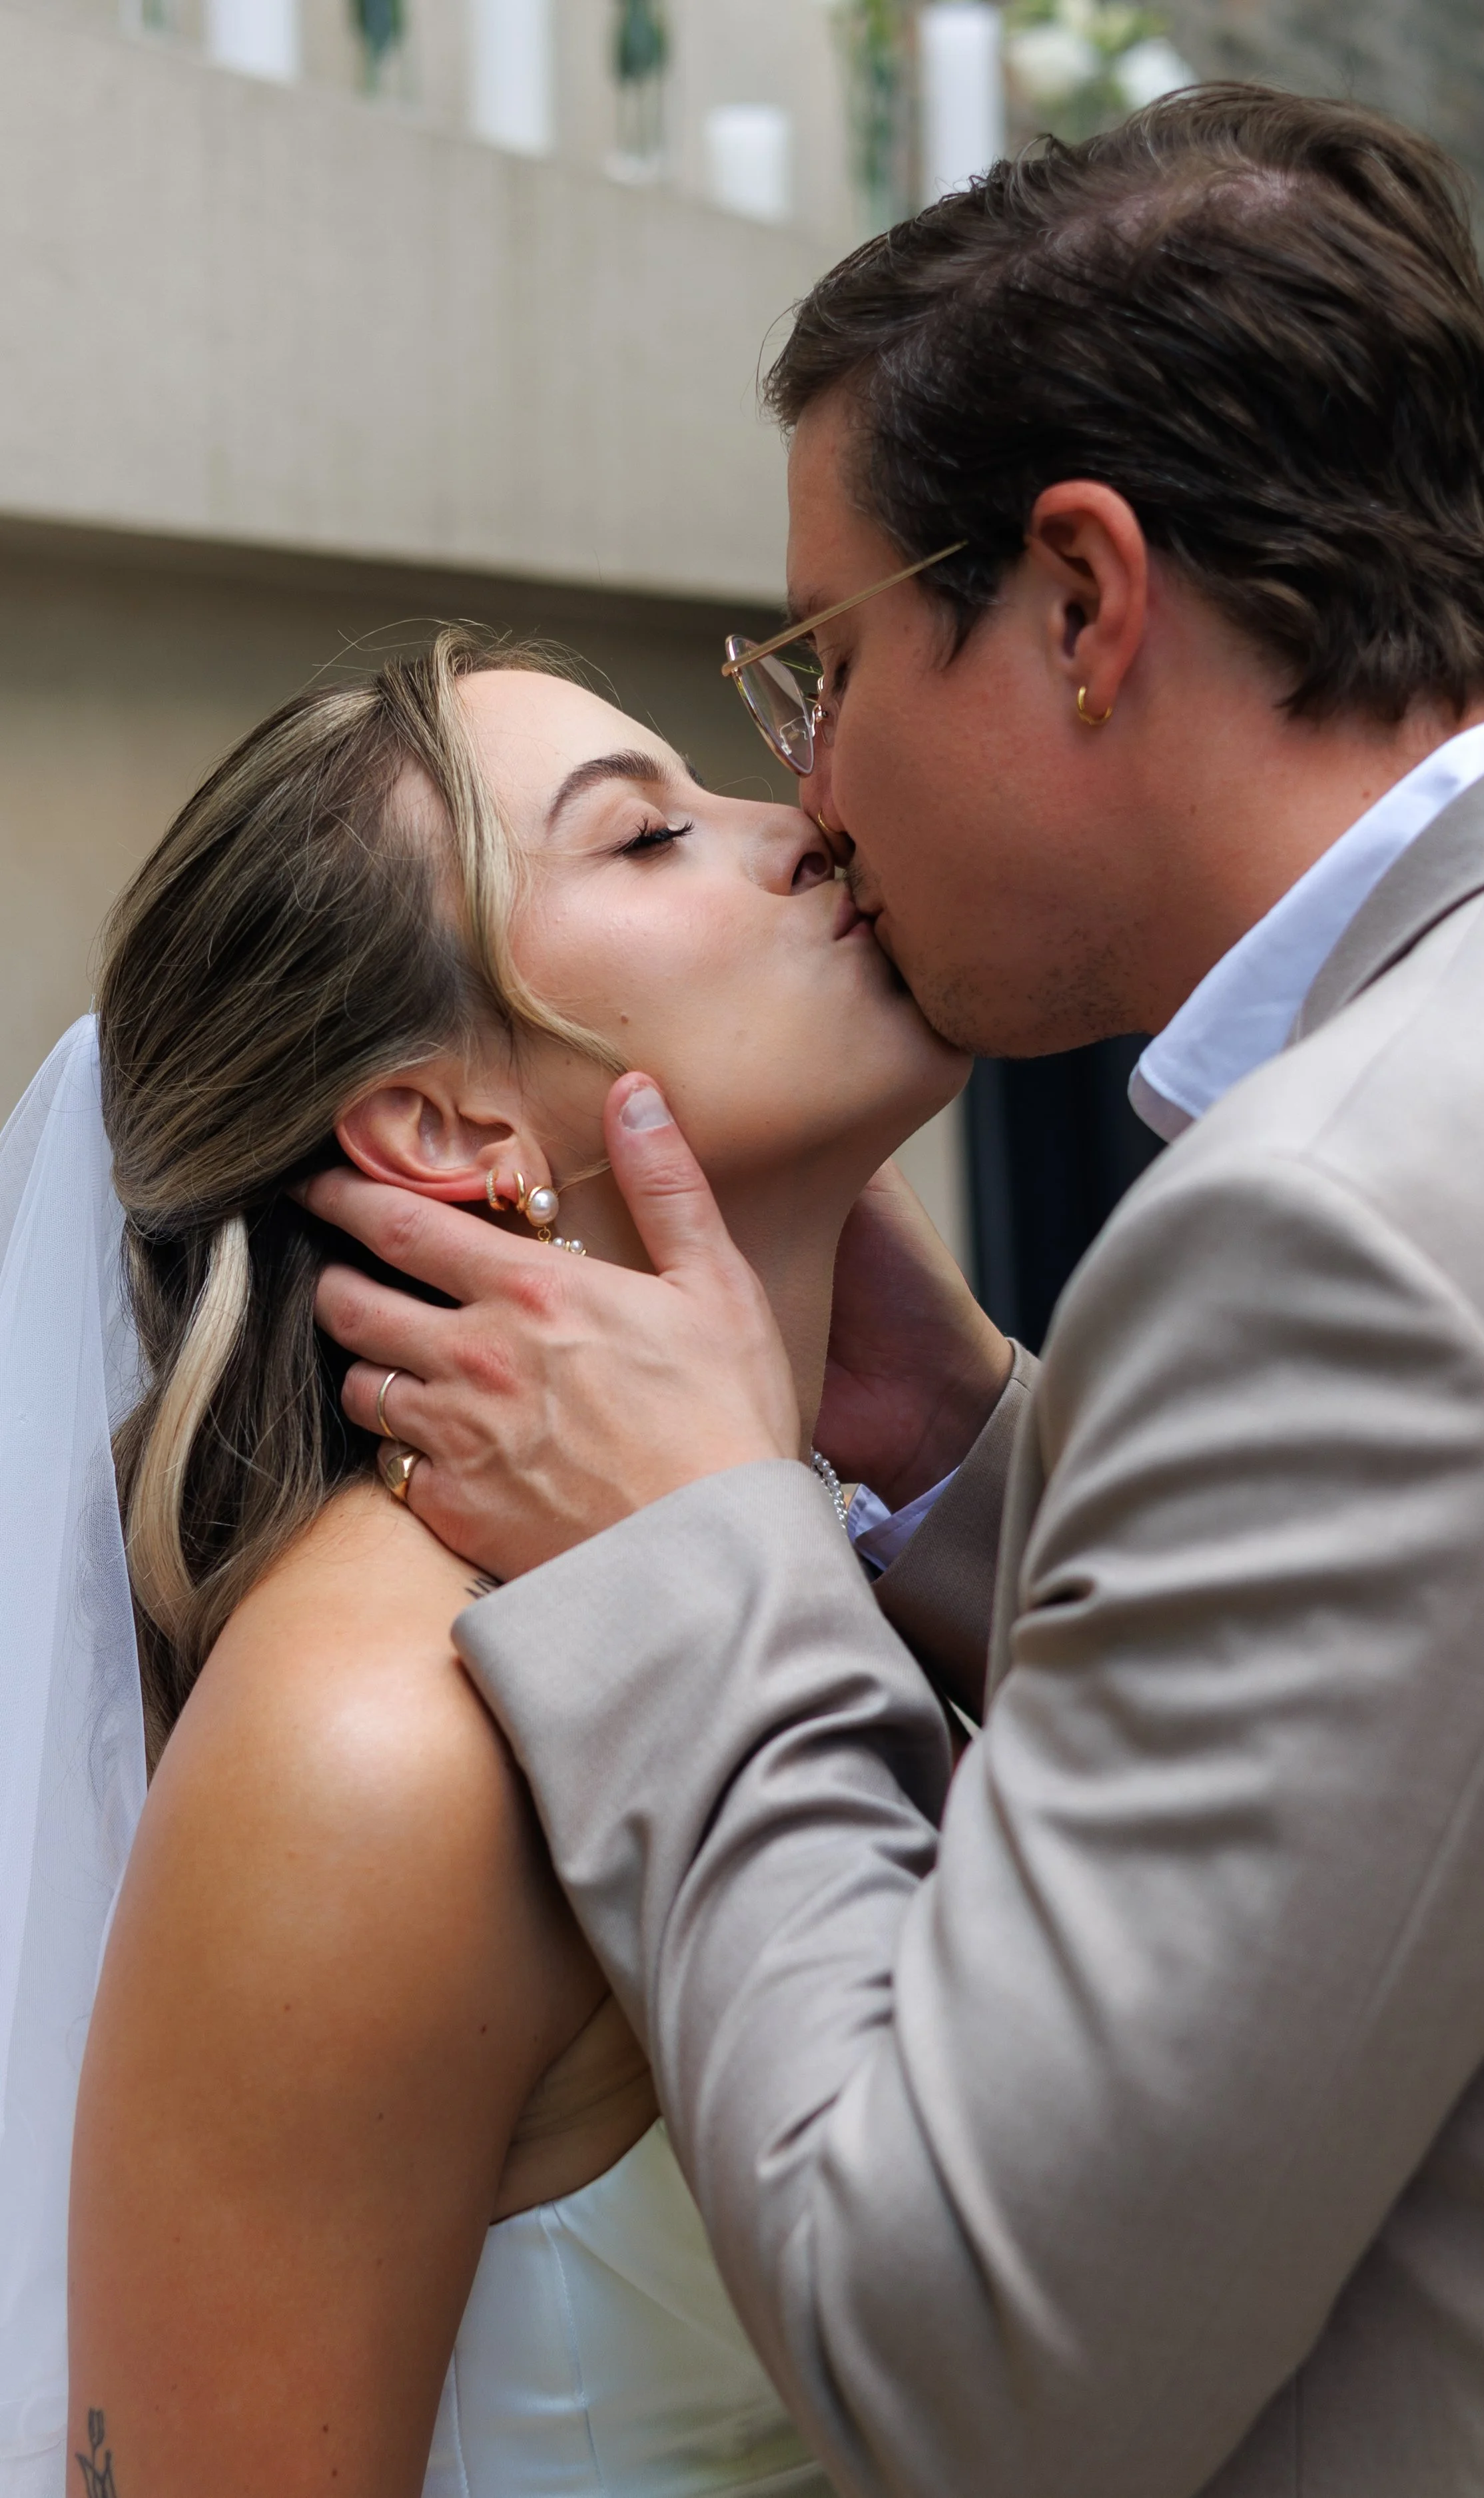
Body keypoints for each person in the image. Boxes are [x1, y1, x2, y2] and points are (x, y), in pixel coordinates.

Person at [304, 86, 1484, 2498]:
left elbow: (971, 2366)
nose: (808, 801)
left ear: (1078, 602)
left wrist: (696, 1548)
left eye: (817, 667)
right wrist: (951, 1451)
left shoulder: (1344, 1224)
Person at [1, 627, 967, 2497]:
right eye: (647, 836)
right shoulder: (385, 1733)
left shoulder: (832, 1572)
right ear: (444, 1126)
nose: (804, 829)